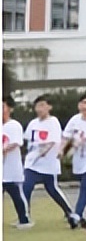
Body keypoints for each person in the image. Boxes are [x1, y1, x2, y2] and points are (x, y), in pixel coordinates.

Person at [22, 95, 77, 228]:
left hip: (48, 163)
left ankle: (69, 212)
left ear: (49, 107)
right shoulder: (33, 123)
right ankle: (24, 216)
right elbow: (28, 140)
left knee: (52, 189)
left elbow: (52, 142)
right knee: (26, 187)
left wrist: (42, 153)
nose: (39, 109)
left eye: (42, 105)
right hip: (32, 163)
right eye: (37, 106)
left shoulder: (53, 122)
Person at [60, 93, 86, 230]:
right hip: (79, 159)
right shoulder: (75, 120)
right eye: (83, 103)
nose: (85, 106)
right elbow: (66, 136)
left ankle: (77, 215)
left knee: (85, 186)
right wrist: (62, 150)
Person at [3, 95, 32, 229]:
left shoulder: (14, 125)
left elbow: (15, 143)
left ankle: (24, 219)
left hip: (11, 168)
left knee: (16, 195)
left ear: (10, 109)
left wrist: (3, 149)